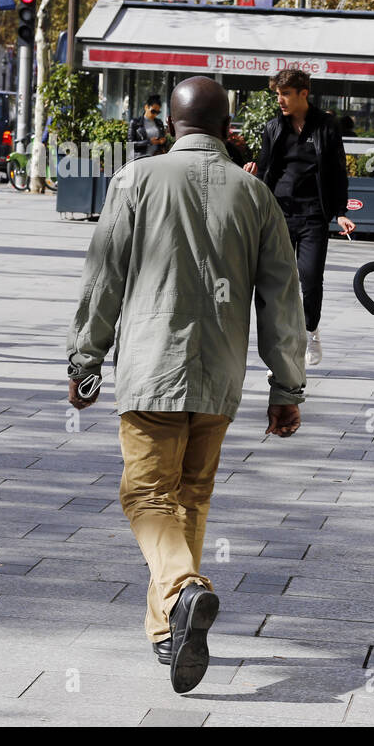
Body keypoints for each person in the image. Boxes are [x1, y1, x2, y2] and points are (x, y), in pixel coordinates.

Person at [67, 76, 307, 693]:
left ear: (171, 125)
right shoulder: (255, 195)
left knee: (145, 495)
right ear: (228, 127)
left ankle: (182, 589)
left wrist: (85, 359)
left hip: (152, 368)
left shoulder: (136, 181)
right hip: (220, 377)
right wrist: (287, 387)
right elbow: (283, 298)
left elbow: (104, 278)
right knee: (191, 497)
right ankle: (166, 630)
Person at [242, 68, 355, 366]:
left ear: (303, 94)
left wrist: (340, 212)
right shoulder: (273, 128)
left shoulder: (326, 127)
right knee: (277, 280)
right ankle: (281, 346)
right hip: (278, 215)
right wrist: (251, 181)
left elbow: (337, 172)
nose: (280, 100)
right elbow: (265, 171)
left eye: (286, 94)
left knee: (310, 277)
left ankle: (310, 330)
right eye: (277, 94)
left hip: (313, 215)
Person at [129, 95, 167, 160]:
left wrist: (163, 141)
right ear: (146, 107)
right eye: (153, 111)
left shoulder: (159, 123)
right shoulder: (135, 122)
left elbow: (163, 143)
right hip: (139, 159)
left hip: (155, 158)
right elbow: (130, 145)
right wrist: (149, 142)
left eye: (158, 112)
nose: (155, 114)